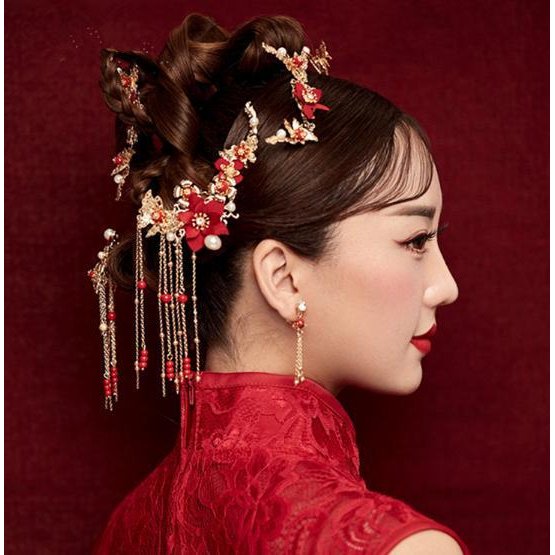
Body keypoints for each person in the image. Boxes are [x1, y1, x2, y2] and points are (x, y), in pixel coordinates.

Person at [90, 12, 470, 554]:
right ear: (283, 277)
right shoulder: (396, 546)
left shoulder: (129, 525)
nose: (446, 286)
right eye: (414, 240)